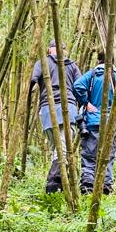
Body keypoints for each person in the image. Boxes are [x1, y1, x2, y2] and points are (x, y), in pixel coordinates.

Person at [29, 40, 81, 193]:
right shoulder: (71, 66)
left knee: (58, 149)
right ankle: (53, 184)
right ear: (49, 49)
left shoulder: (45, 63)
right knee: (63, 149)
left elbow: (33, 79)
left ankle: (57, 185)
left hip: (49, 110)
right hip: (66, 109)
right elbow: (80, 86)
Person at [73, 52, 116, 194]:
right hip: (111, 122)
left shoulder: (94, 74)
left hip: (92, 121)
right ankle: (106, 186)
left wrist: (86, 103)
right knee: (108, 156)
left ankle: (87, 186)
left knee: (89, 155)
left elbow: (77, 85)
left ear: (98, 60)